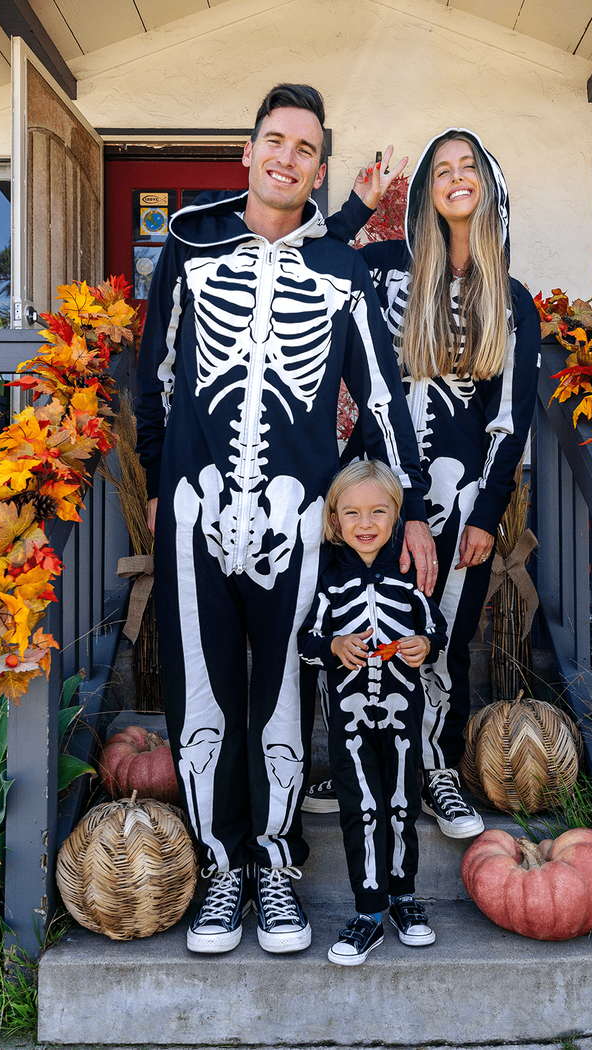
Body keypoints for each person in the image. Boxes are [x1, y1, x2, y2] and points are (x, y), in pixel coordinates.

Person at [135, 84, 436, 956]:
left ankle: (275, 869)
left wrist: (405, 509)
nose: (286, 158)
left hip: (298, 517)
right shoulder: (190, 241)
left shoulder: (341, 270)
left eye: (305, 149)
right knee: (204, 697)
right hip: (196, 508)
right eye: (275, 141)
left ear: (317, 167)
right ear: (249, 150)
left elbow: (377, 401)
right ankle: (222, 869)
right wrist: (160, 482)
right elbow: (154, 377)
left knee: (281, 698)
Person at [305, 128, 541, 839]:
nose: (456, 177)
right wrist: (354, 206)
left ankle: (435, 766)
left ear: (489, 187)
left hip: (463, 493)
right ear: (425, 192)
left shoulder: (513, 301)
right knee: (351, 617)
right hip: (372, 486)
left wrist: (487, 512)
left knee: (444, 631)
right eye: (443, 168)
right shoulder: (380, 269)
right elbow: (307, 255)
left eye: (469, 166)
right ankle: (341, 765)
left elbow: (510, 419)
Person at [298, 460, 448, 965]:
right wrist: (335, 644)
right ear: (334, 520)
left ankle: (404, 898)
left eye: (379, 511)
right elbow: (307, 643)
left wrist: (424, 645)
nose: (366, 523)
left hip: (403, 720)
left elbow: (436, 627)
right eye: (353, 512)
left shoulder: (407, 583)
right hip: (351, 721)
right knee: (360, 810)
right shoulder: (328, 584)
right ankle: (369, 910)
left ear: (397, 517)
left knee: (402, 806)